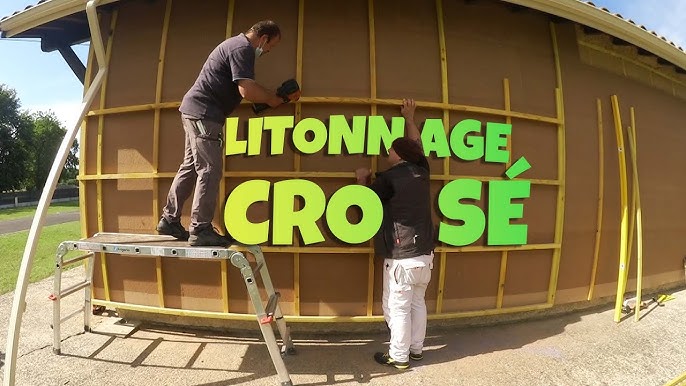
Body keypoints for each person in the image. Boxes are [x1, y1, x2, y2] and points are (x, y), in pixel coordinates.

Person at [157, 20, 287, 247]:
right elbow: (246, 89)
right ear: (264, 38)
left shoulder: (235, 46)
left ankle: (169, 219)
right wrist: (272, 98)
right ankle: (200, 228)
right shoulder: (243, 48)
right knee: (210, 169)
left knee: (190, 167)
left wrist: (267, 96)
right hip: (204, 114)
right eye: (270, 47)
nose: (267, 52)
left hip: (196, 111)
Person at [355, 99, 435, 370]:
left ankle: (398, 357)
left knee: (398, 307)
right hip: (425, 254)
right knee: (417, 303)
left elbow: (367, 203)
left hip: (401, 256)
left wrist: (361, 179)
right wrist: (410, 118)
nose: (387, 152)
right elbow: (418, 147)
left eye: (390, 149)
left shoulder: (388, 179)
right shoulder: (422, 171)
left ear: (398, 155)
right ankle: (416, 350)